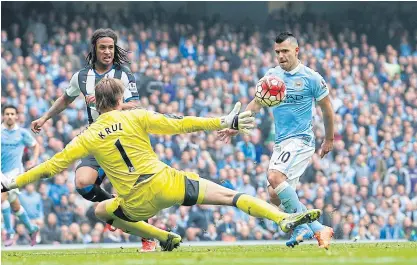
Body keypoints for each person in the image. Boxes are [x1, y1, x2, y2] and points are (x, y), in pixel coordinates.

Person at [2, 78, 322, 251]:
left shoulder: (88, 135)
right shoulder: (137, 115)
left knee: (100, 210)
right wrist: (226, 120)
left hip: (136, 203)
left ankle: (161, 237)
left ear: (96, 105)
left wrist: (11, 183)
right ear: (118, 101)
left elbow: (51, 166)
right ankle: (282, 219)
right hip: (167, 183)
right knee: (231, 197)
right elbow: (183, 124)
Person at [29, 28, 156, 251]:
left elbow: (135, 105)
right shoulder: (81, 77)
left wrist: (102, 100)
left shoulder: (123, 74)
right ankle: (114, 209)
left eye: (111, 47)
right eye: (103, 47)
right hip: (97, 139)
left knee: (134, 193)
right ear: (94, 50)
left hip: (123, 140)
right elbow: (66, 98)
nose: (107, 51)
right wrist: (45, 117)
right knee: (82, 183)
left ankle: (149, 237)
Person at [218, 32, 335, 248]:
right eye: (277, 52)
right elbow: (256, 103)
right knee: (274, 194)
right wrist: (237, 125)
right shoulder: (272, 76)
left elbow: (327, 109)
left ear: (296, 51)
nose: (280, 56)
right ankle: (319, 229)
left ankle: (301, 227)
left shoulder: (311, 78)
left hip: (301, 140)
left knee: (273, 176)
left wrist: (329, 139)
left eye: (285, 51)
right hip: (282, 143)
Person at [1, 105, 40, 246]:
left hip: (15, 172)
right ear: (3, 116)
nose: (10, 116)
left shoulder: (22, 133)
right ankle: (32, 229)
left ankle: (9, 232)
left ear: (16, 116)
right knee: (15, 206)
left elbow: (36, 145)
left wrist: (34, 160)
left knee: (2, 197)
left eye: (12, 113)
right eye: (7, 114)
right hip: (1, 172)